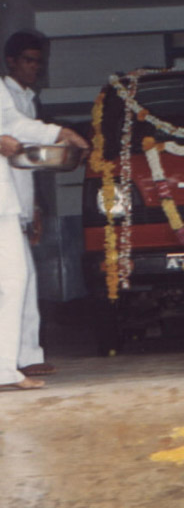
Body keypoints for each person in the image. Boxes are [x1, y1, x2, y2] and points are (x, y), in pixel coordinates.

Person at [0, 76, 89, 390]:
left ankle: (4, 369)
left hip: (3, 201)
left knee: (15, 279)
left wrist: (58, 133)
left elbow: (10, 121)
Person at [4, 31, 53, 378]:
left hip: (16, 204)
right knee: (16, 279)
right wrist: (58, 134)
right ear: (11, 62)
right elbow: (17, 133)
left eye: (38, 61)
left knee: (25, 278)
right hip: (4, 203)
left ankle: (26, 355)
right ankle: (15, 361)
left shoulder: (28, 98)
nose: (35, 67)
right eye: (28, 60)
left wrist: (34, 207)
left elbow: (27, 163)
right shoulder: (5, 94)